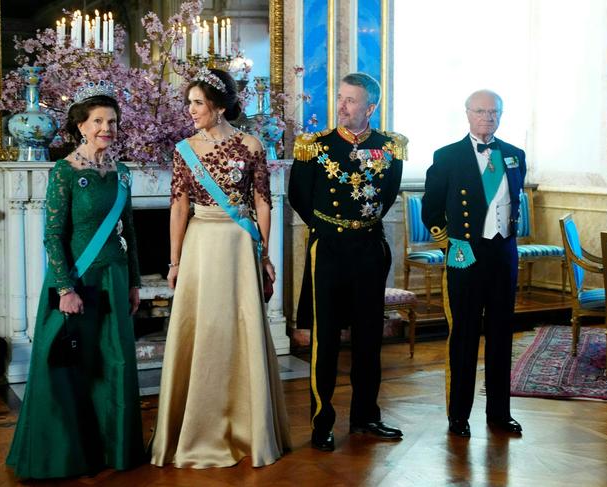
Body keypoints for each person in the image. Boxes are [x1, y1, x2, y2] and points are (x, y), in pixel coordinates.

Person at [150, 68, 290, 469]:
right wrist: (174, 262)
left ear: (220, 105)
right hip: (200, 244)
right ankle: (196, 430)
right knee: (204, 327)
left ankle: (249, 427)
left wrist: (263, 254)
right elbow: (178, 206)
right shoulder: (184, 149)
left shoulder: (251, 145)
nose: (190, 109)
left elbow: (263, 202)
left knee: (240, 326)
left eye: (197, 102)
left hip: (238, 245)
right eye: (189, 102)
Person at [6, 81, 145, 478]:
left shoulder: (121, 172)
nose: (107, 128)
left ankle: (113, 449)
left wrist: (134, 282)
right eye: (98, 121)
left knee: (114, 362)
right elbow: (52, 235)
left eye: (113, 121)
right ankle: (62, 455)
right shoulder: (64, 172)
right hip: (75, 279)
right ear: (81, 126)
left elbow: (130, 232)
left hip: (114, 278)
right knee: (67, 365)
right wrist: (65, 288)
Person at [288, 72, 407, 452]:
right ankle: (322, 421)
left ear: (370, 107)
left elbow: (387, 195)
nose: (341, 105)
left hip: (369, 249)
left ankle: (365, 417)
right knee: (325, 341)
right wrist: (334, 228)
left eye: (351, 100)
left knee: (369, 337)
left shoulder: (389, 147)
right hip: (330, 250)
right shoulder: (314, 146)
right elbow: (299, 198)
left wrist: (359, 228)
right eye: (340, 97)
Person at [421, 89, 526, 438]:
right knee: (464, 336)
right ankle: (458, 416)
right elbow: (431, 209)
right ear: (467, 114)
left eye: (494, 112)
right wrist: (450, 245)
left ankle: (499, 413)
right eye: (480, 111)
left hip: (503, 256)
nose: (488, 118)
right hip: (466, 256)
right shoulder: (447, 156)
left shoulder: (514, 155)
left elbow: (512, 202)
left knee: (500, 337)